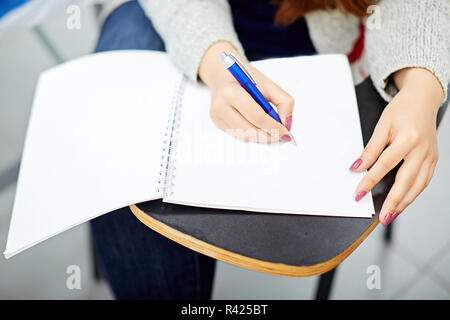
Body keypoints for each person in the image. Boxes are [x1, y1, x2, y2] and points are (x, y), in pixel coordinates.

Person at [90, 0, 449, 299]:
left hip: (318, 28)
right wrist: (213, 60)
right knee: (124, 175)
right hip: (173, 12)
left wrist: (420, 85)